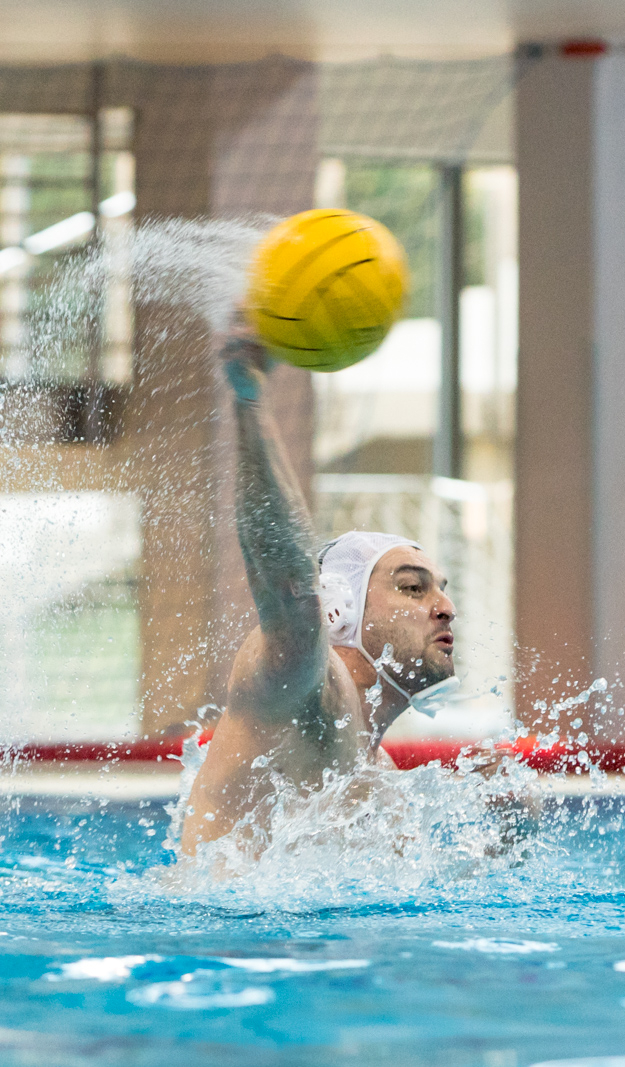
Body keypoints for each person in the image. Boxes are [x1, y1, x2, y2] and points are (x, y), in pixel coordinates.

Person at [179, 325, 461, 855]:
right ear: (339, 611)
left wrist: (506, 837)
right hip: (216, 938)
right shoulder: (302, 686)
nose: (444, 609)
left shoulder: (382, 780)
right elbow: (285, 580)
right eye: (411, 588)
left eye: (441, 591)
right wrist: (249, 400)